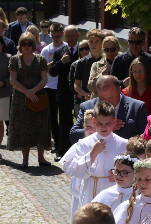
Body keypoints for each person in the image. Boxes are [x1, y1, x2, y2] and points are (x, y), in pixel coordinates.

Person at [60, 109, 96, 224]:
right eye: (88, 128)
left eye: (94, 128)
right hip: (81, 196)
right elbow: (66, 165)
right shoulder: (81, 146)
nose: (92, 131)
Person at [7, 32, 51, 167]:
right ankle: (25, 159)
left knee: (40, 126)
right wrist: (26, 92)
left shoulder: (41, 60)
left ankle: (41, 158)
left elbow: (44, 78)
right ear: (20, 45)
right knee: (23, 129)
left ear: (33, 45)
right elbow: (12, 80)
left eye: (29, 44)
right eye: (24, 44)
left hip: (38, 97)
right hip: (21, 99)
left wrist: (34, 91)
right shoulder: (15, 60)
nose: (26, 46)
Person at [71, 75, 148, 142]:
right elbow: (73, 136)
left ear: (120, 90)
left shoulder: (137, 107)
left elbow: (144, 138)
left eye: (111, 97)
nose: (108, 102)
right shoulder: (87, 106)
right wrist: (99, 129)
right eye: (103, 98)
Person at [49, 24, 79, 158]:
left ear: (77, 36)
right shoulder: (60, 52)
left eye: (73, 35)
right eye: (68, 36)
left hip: (79, 92)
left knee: (81, 121)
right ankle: (63, 151)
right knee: (64, 122)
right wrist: (61, 62)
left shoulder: (83, 50)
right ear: (64, 36)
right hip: (64, 92)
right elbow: (52, 71)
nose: (71, 38)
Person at [40, 23, 66, 155]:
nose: (56, 39)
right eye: (53, 36)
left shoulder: (66, 47)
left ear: (62, 34)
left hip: (62, 86)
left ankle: (63, 142)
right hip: (49, 86)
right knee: (52, 118)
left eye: (58, 36)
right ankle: (56, 142)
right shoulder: (46, 50)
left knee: (63, 117)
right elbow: (43, 68)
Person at [73, 29, 104, 103]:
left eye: (96, 41)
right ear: (88, 43)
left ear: (101, 43)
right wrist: (85, 94)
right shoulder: (82, 62)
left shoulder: (106, 59)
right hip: (88, 99)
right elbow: (76, 85)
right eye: (91, 41)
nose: (94, 44)